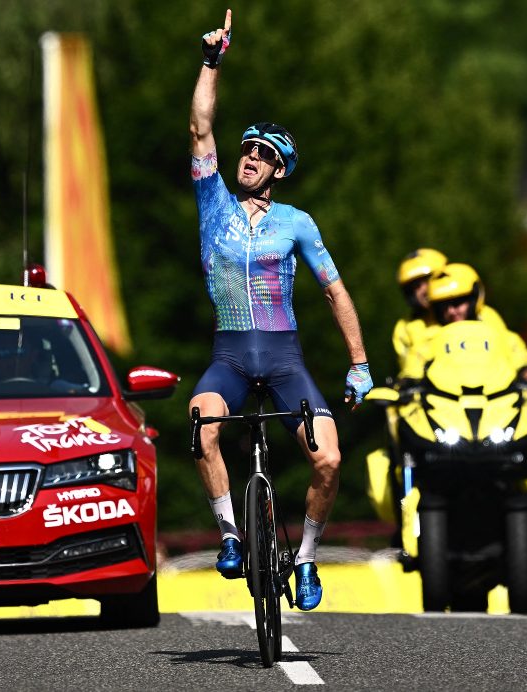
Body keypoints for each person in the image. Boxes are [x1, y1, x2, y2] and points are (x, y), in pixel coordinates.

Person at [189, 9, 372, 611]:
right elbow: (199, 127)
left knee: (330, 457)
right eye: (246, 151)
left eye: (262, 156)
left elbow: (333, 292)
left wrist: (359, 364)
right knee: (201, 423)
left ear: (279, 171)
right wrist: (212, 61)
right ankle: (231, 536)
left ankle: (308, 559)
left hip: (286, 358)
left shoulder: (297, 224)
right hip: (231, 358)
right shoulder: (213, 202)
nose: (249, 160)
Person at [399, 262, 527, 380]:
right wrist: (409, 380)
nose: (451, 311)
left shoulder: (487, 317)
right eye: (444, 306)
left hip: (494, 395)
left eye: (457, 302)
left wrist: (525, 370)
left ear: (473, 299)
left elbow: (510, 345)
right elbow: (417, 358)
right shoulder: (427, 330)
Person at [392, 248, 447, 372]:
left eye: (428, 279)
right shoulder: (404, 329)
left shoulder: (481, 316)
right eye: (416, 286)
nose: (423, 290)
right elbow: (409, 373)